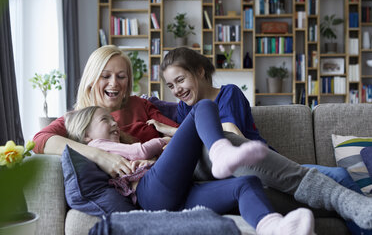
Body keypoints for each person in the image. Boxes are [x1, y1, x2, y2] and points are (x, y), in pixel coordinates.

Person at [146, 47, 372, 232]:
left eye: (180, 80)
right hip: (236, 181)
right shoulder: (186, 109)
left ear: (200, 71)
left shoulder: (228, 94)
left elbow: (231, 133)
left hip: (264, 167)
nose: (176, 90)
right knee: (332, 192)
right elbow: (165, 113)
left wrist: (168, 129)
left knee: (340, 176)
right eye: (170, 86)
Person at [64, 104, 316, 235]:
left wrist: (152, 162)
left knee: (245, 184)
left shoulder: (111, 146)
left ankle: (273, 228)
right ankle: (220, 152)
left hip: (172, 197)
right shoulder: (97, 147)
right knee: (201, 109)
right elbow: (138, 152)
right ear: (86, 134)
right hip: (150, 195)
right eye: (104, 120)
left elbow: (140, 161)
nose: (113, 123)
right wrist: (164, 141)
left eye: (112, 118)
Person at [33, 45, 180, 178]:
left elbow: (180, 135)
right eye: (105, 76)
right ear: (92, 79)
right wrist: (98, 155)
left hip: (162, 172)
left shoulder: (141, 104)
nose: (114, 83)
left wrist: (153, 160)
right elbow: (39, 140)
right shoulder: (78, 118)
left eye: (121, 76)